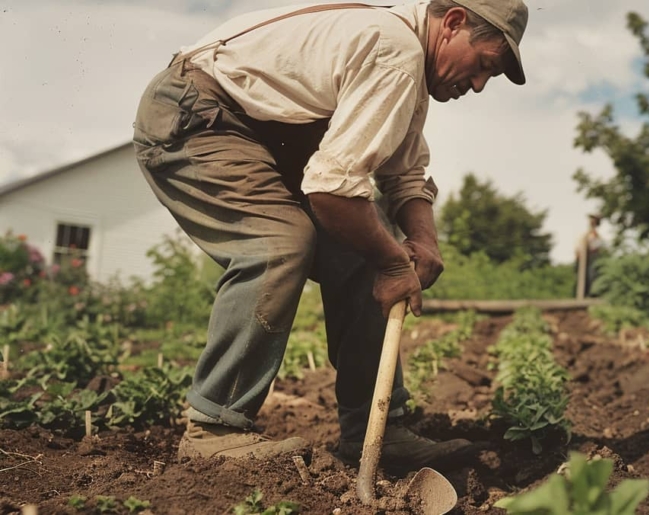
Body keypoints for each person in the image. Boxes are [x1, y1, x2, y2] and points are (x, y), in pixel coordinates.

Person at [132, 0, 529, 472]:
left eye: (493, 77)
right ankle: (213, 428)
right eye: (484, 65)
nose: (480, 84)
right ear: (454, 23)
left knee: (366, 245)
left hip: (259, 131)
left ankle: (377, 431)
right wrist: (393, 264)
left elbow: (404, 173)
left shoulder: (409, 65)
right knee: (279, 243)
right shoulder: (395, 50)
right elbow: (331, 191)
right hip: (197, 116)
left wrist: (421, 242)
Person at [575, 214, 604, 298]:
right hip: (583, 258)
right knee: (582, 277)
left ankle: (591, 294)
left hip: (592, 257)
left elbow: (596, 247)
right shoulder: (585, 234)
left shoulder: (596, 235)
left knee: (592, 275)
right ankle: (582, 294)